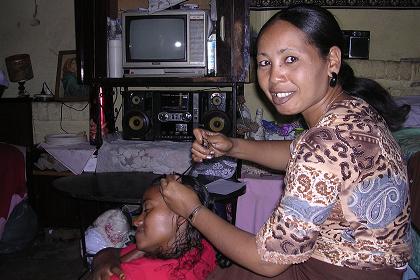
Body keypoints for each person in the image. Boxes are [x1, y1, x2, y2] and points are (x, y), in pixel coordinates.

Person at [159, 4, 412, 280]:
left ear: (332, 61)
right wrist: (233, 146)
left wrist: (192, 209)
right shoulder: (356, 111)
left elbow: (268, 261)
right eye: (265, 63)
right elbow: (299, 153)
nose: (274, 78)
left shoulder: (321, 145)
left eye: (290, 59)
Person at [89, 175, 217, 280]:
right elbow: (113, 252)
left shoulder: (132, 274)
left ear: (181, 216)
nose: (136, 222)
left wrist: (102, 261)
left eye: (147, 210)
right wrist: (106, 258)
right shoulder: (203, 246)